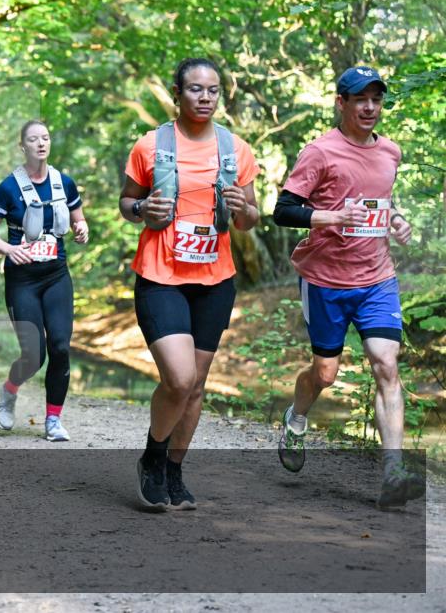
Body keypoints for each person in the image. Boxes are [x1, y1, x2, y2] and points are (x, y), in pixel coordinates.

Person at [272, 66, 424, 510]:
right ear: (341, 103)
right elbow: (283, 210)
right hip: (325, 280)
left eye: (376, 99)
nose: (370, 108)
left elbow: (379, 201)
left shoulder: (390, 152)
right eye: (361, 100)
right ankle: (296, 418)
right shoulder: (319, 152)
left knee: (386, 365)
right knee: (325, 374)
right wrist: (331, 217)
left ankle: (393, 470)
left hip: (377, 277)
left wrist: (394, 220)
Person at [119, 58, 261, 511]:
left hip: (215, 280)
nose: (205, 97)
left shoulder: (236, 150)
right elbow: (127, 201)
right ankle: (151, 457)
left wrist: (242, 207)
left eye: (213, 90)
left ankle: (174, 471)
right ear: (177, 94)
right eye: (196, 89)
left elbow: (249, 221)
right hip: (161, 276)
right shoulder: (149, 145)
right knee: (178, 379)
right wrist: (144, 212)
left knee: (197, 386)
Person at [0, 121, 89, 441]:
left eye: (45, 138)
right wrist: (10, 249)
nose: (41, 143)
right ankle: (9, 390)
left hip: (56, 275)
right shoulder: (9, 188)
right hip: (22, 279)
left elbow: (80, 221)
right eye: (33, 139)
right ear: (22, 146)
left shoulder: (64, 183)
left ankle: (53, 420)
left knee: (60, 347)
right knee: (34, 354)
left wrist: (82, 231)